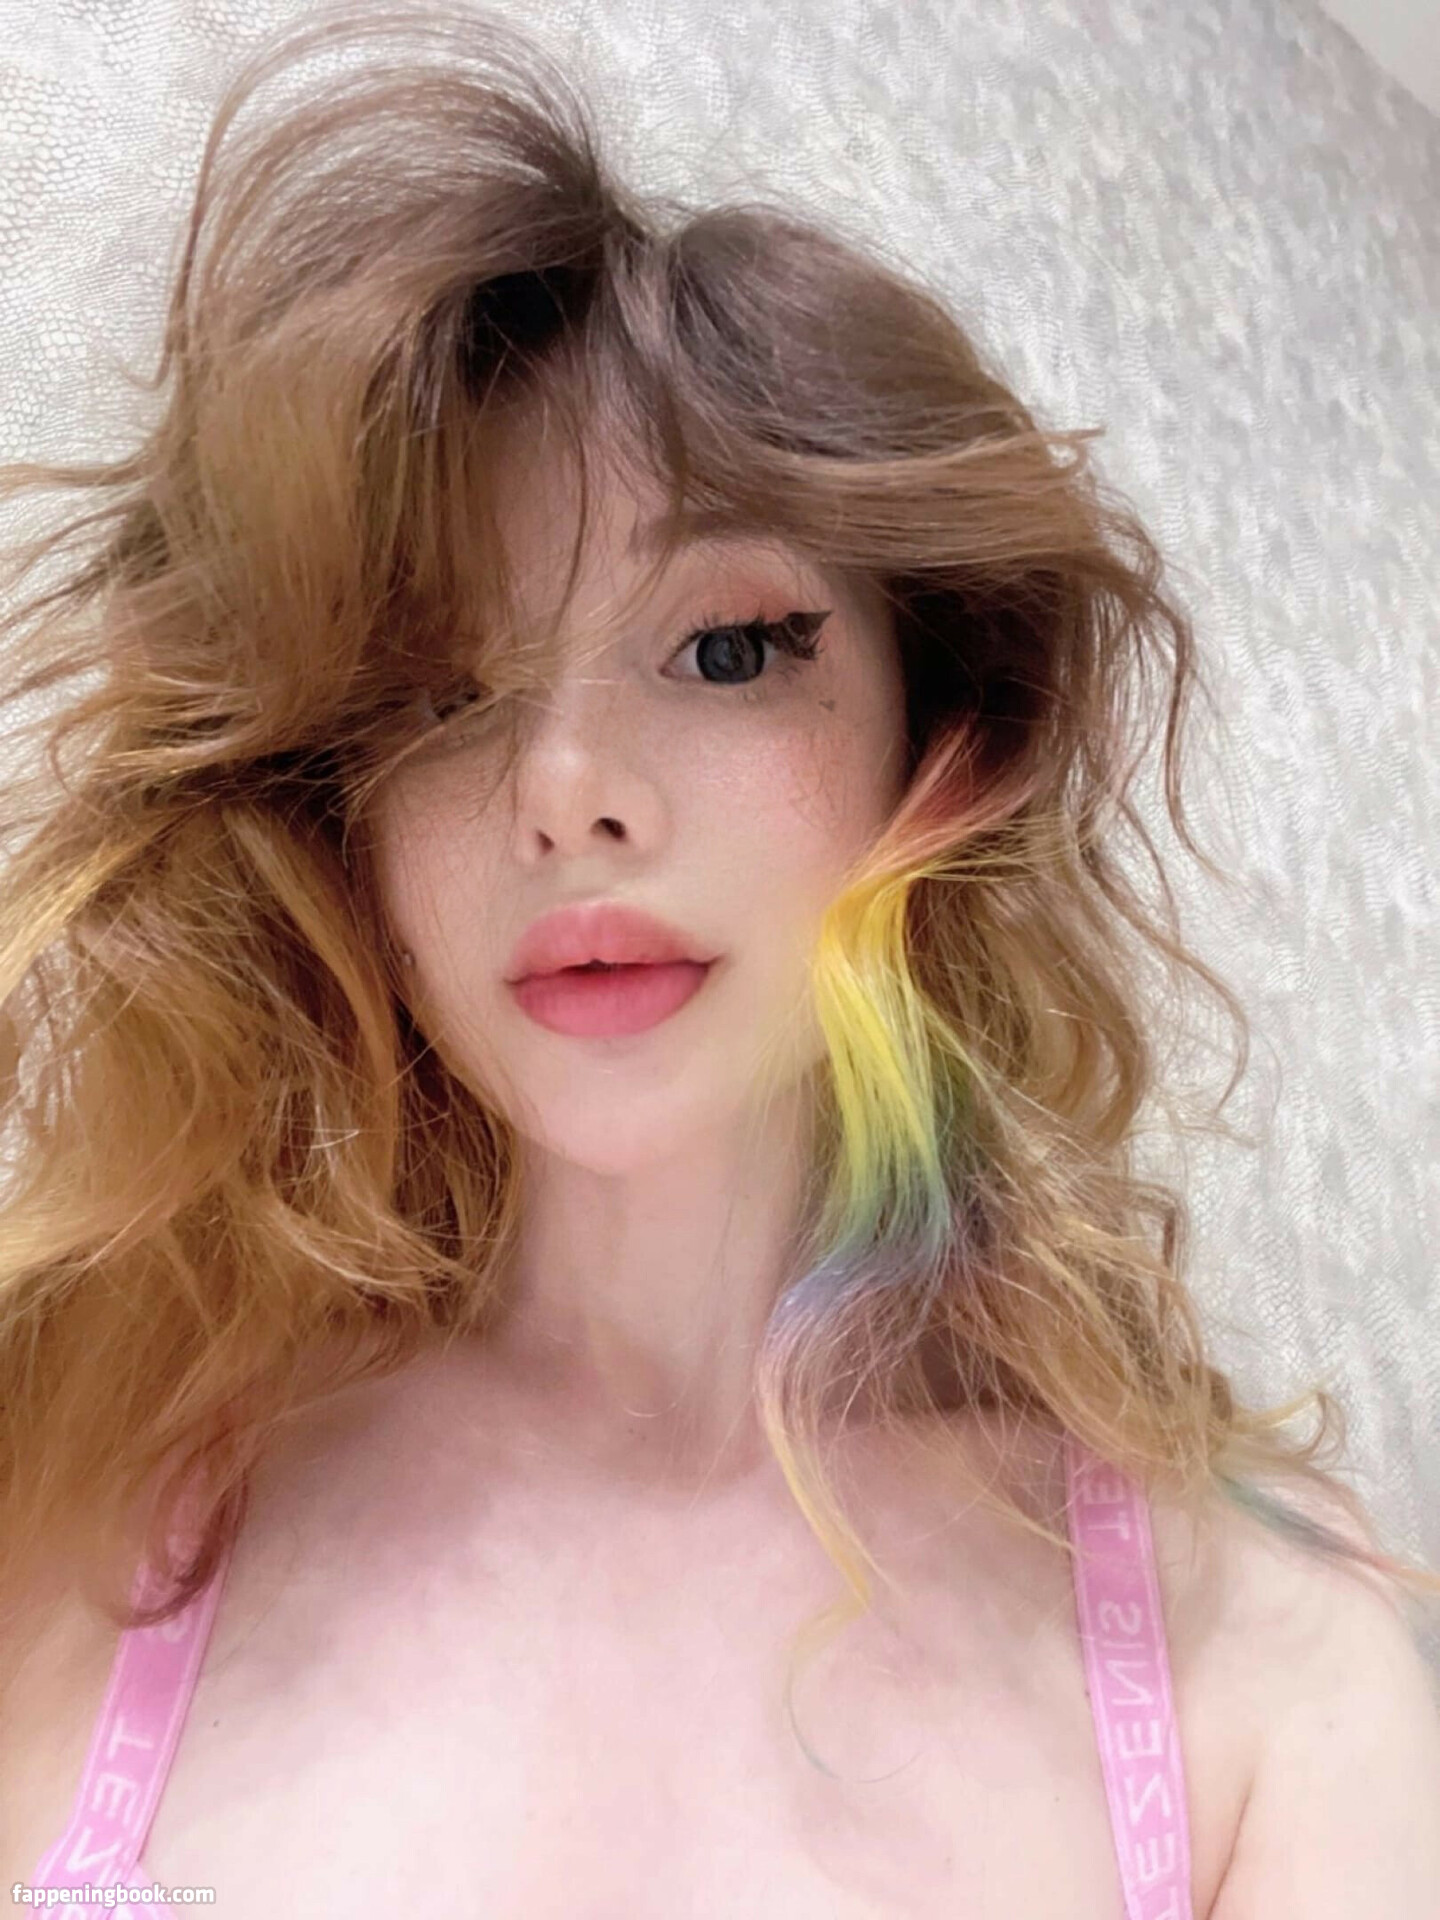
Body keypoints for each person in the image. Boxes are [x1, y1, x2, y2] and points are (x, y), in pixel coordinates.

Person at [1, 7, 1437, 1916]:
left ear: (942, 740)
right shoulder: (72, 1505)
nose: (569, 795)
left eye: (729, 650)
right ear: (339, 805)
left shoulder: (1262, 1664)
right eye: (437, 690)